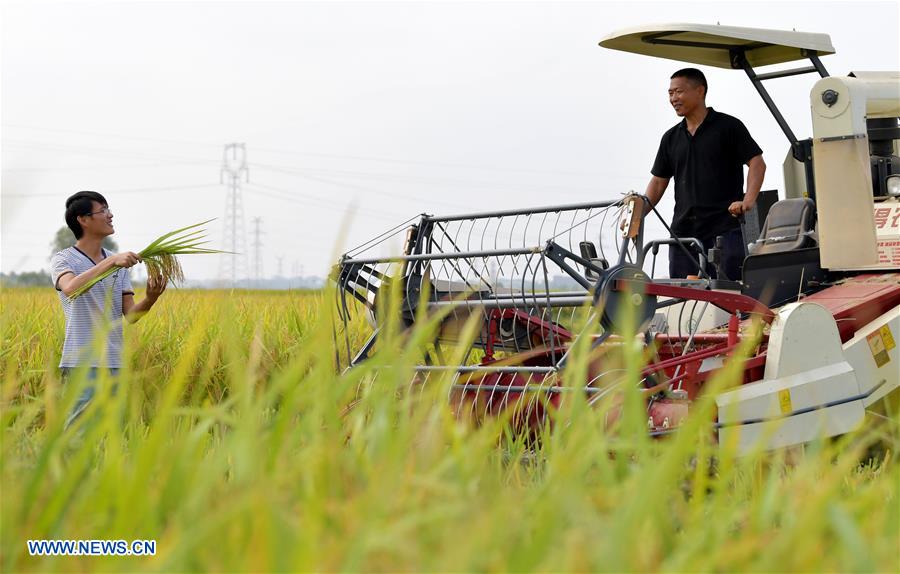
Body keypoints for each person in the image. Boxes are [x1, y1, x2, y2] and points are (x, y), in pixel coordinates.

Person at [50, 191, 166, 426]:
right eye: (102, 210)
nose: (110, 215)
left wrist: (151, 298)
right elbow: (71, 288)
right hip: (82, 360)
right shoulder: (64, 259)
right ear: (83, 219)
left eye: (108, 209)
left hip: (114, 360)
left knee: (110, 430)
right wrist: (111, 262)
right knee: (79, 430)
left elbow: (131, 315)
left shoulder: (117, 262)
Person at [644, 68, 766, 281]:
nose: (673, 98)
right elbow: (658, 182)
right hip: (683, 235)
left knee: (728, 291)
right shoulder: (670, 138)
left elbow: (757, 163)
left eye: (679, 92)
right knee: (685, 295)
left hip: (724, 230)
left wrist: (748, 201)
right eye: (670, 93)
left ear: (700, 91)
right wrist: (637, 215)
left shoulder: (728, 127)